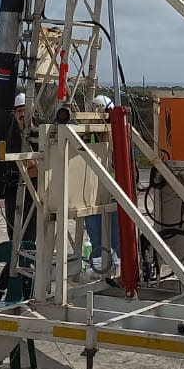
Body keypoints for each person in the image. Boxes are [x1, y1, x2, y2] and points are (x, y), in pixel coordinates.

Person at [0, 92, 39, 300]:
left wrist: (32, 168)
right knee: (16, 243)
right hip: (14, 194)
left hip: (34, 194)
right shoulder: (9, 136)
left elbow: (39, 167)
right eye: (19, 111)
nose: (22, 114)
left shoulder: (38, 134)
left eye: (25, 110)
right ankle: (6, 284)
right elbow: (21, 167)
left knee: (29, 243)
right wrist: (30, 168)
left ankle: (23, 285)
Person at [85, 94, 120, 278]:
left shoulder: (118, 136)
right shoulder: (88, 135)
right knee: (94, 229)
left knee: (116, 232)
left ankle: (118, 263)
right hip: (93, 192)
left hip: (114, 192)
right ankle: (98, 264)